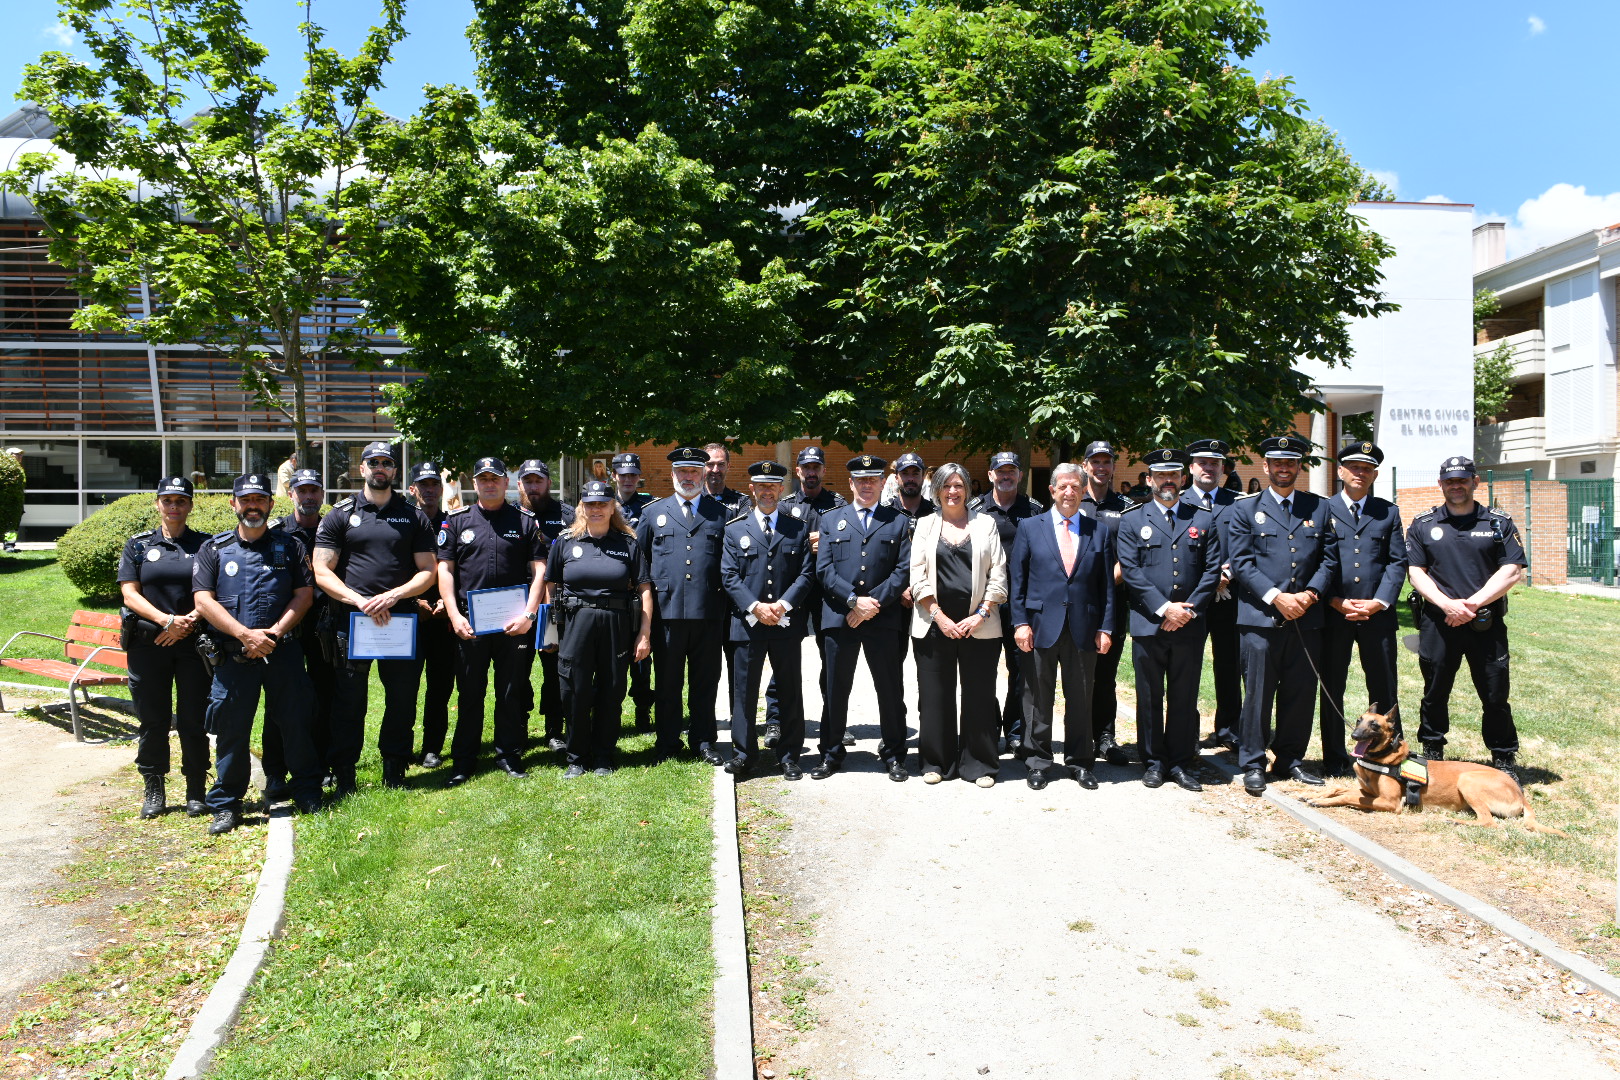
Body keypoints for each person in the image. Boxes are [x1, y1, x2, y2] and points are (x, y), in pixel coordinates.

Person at [192, 473, 320, 833]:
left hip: (284, 653)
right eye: (245, 500)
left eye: (259, 500)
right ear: (233, 504)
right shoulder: (213, 549)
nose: (253, 506)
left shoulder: (290, 546)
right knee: (232, 731)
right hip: (234, 657)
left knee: (296, 723)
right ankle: (227, 804)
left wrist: (275, 634)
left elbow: (304, 595)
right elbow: (203, 600)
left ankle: (307, 790)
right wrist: (244, 634)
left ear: (270, 504)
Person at [313, 442, 438, 792]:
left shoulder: (413, 515)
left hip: (400, 621)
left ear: (395, 471)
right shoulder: (340, 513)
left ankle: (394, 768)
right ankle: (345, 772)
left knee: (401, 698)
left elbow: (428, 571)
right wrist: (361, 600)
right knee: (349, 700)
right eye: (373, 462)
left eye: (386, 463)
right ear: (362, 468)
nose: (379, 468)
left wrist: (395, 595)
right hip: (352, 621)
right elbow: (321, 570)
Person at [1226, 434, 1339, 796]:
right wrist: (1277, 597)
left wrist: (1309, 595)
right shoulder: (1245, 509)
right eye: (1278, 462)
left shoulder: (1318, 508)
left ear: (1299, 466)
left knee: (1300, 693)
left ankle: (1290, 759)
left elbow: (1329, 559)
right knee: (1257, 694)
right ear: (1266, 466)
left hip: (1307, 617)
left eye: (1291, 462)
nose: (1284, 468)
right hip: (1260, 619)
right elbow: (1241, 563)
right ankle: (1253, 763)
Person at [1405, 456, 1527, 776]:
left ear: (1475, 482)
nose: (1456, 486)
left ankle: (1502, 755)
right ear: (1440, 484)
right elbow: (1415, 572)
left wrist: (1470, 605)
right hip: (1438, 622)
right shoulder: (1423, 523)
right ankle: (1432, 749)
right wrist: (1447, 605)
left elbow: (1512, 571)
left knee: (1495, 691)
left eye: (1462, 480)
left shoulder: (1498, 522)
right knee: (1435, 689)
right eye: (1449, 481)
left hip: (1485, 621)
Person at [435, 457, 549, 786]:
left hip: (515, 622)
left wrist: (529, 614)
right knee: (470, 691)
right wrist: (454, 614)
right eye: (482, 478)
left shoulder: (525, 521)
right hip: (470, 622)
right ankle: (464, 759)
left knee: (511, 690)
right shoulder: (456, 521)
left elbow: (539, 570)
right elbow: (445, 570)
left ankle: (508, 754)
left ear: (507, 483)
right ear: (474, 484)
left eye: (495, 478)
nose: (489, 484)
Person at [1117, 450, 1222, 792]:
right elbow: (1130, 571)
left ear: (1183, 479)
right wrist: (1165, 609)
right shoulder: (1132, 520)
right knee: (1148, 695)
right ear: (1149, 480)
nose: (1167, 481)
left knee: (1183, 695)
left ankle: (1178, 762)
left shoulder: (1203, 519)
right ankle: (1152, 761)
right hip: (1149, 623)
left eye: (1174, 475)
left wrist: (1186, 611)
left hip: (1189, 625)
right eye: (1160, 475)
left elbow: (1211, 570)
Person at [1008, 462, 1117, 790]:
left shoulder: (1099, 530)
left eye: (1075, 487)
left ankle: (1081, 761)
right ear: (1052, 490)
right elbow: (1018, 580)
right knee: (1038, 696)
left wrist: (1106, 628)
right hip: (1040, 625)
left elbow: (1107, 587)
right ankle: (1039, 760)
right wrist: (1020, 622)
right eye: (1063, 486)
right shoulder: (1030, 527)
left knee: (1082, 696)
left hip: (1084, 626)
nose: (1069, 492)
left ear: (1084, 491)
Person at [813, 454, 913, 780]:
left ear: (883, 482)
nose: (866, 485)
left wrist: (873, 604)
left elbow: (902, 570)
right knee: (836, 688)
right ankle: (830, 753)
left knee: (889, 687)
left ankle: (895, 753)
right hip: (840, 617)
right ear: (850, 483)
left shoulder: (897, 521)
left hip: (883, 619)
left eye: (873, 479)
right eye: (860, 479)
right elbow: (824, 570)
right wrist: (855, 601)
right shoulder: (830, 520)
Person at [545, 479, 654, 776]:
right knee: (573, 691)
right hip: (575, 624)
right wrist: (550, 630)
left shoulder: (627, 544)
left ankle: (604, 754)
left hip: (615, 625)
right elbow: (551, 586)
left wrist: (644, 634)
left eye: (602, 504)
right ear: (581, 506)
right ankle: (577, 757)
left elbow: (645, 589)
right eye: (590, 504)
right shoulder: (566, 542)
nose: (596, 509)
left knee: (611, 690)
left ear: (612, 507)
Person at [118, 475, 211, 819]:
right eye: (168, 500)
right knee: (152, 719)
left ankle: (196, 789)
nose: (174, 506)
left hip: (192, 645)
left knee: (193, 720)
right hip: (148, 645)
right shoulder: (139, 546)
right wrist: (166, 621)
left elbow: (213, 590)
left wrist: (186, 622)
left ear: (190, 505)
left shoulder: (205, 545)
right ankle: (154, 787)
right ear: (157, 503)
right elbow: (130, 593)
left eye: (181, 500)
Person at [910, 463, 1008, 787]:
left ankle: (979, 765)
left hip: (979, 625)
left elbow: (998, 575)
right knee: (935, 697)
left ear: (967, 489)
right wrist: (939, 615)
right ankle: (937, 762)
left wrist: (980, 614)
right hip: (934, 624)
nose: (953, 492)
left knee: (979, 696)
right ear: (937, 490)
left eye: (959, 486)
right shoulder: (925, 525)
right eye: (947, 486)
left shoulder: (986, 524)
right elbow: (918, 576)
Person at [719, 461, 817, 779]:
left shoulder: (797, 529)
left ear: (781, 490)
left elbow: (806, 573)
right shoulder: (734, 529)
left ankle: (788, 755)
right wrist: (755, 607)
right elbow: (729, 576)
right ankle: (743, 754)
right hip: (747, 624)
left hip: (785, 624)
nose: (767, 491)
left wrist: (783, 606)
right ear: (752, 489)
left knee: (789, 690)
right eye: (761, 486)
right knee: (744, 691)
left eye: (772, 486)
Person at [636, 447, 730, 765]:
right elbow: (642, 565)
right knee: (667, 682)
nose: (688, 477)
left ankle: (703, 740)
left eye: (693, 471)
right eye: (682, 471)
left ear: (703, 474)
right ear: (673, 474)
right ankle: (667, 740)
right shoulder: (652, 513)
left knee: (705, 681)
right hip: (667, 613)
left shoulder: (721, 514)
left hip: (708, 612)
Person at [1319, 440, 1407, 777]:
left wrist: (1378, 602)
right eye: (1354, 467)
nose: (1360, 473)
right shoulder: (1322, 510)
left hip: (1377, 616)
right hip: (1334, 614)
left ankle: (1388, 755)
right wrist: (1334, 600)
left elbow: (1397, 563)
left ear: (1375, 474)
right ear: (1340, 470)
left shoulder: (1388, 512)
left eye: (1367, 468)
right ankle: (1333, 755)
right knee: (1332, 685)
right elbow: (1316, 561)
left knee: (1383, 687)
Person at [262, 468, 334, 802]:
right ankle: (275, 773)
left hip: (324, 627)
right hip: (287, 628)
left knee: (323, 699)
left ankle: (322, 766)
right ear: (290, 493)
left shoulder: (334, 530)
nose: (308, 497)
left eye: (313, 491)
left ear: (322, 495)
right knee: (280, 702)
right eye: (301, 491)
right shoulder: (275, 533)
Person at [770, 446, 847, 750]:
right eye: (806, 467)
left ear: (824, 471)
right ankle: (776, 720)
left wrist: (825, 542)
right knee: (782, 657)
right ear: (798, 471)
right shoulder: (786, 505)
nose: (811, 472)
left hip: (829, 593)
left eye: (817, 467)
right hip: (795, 590)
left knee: (832, 658)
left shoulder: (839, 505)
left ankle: (834, 720)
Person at [968, 451, 1044, 754]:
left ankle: (1014, 728)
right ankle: (987, 728)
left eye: (1012, 470)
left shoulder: (1036, 510)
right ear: (990, 475)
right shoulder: (975, 510)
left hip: (1020, 605)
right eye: (1000, 471)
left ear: (1020, 474)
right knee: (982, 670)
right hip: (983, 604)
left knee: (1020, 671)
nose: (1006, 476)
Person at [1183, 439, 1243, 752]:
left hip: (1229, 596)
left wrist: (1227, 573)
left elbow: (1247, 543)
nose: (1208, 468)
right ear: (1191, 467)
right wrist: (1207, 579)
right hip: (1192, 596)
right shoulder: (1177, 502)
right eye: (1203, 462)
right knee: (1187, 663)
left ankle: (1229, 728)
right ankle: (1186, 728)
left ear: (1222, 468)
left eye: (1214, 463)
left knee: (1230, 663)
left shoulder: (1239, 503)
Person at [1077, 440, 1132, 766]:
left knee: (1106, 674)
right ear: (1085, 466)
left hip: (1113, 600)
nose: (1101, 468)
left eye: (1106, 462)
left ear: (1113, 466)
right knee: (1078, 671)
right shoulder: (1072, 501)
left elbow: (1130, 556)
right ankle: (1081, 734)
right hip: (1078, 603)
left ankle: (1106, 737)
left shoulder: (1126, 506)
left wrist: (1104, 582)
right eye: (1094, 462)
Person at [519, 458, 577, 753]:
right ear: (519, 484)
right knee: (517, 669)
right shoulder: (512, 515)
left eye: (538, 481)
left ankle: (555, 729)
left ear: (548, 483)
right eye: (528, 481)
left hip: (557, 604)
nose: (533, 487)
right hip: (520, 605)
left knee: (555, 670)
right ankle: (518, 725)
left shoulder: (568, 515)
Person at [407, 461, 455, 768]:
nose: (429, 489)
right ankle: (400, 747)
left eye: (434, 484)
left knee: (440, 686)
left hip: (444, 618)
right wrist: (414, 603)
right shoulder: (401, 522)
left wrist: (447, 605)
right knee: (405, 687)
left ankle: (432, 748)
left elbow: (460, 568)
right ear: (412, 489)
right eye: (423, 484)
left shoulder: (453, 524)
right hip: (409, 616)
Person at [612, 452, 657, 727]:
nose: (628, 479)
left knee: (643, 655)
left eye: (633, 475)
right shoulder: (603, 504)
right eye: (623, 474)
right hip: (614, 589)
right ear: (613, 476)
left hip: (641, 589)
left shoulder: (650, 507)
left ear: (639, 477)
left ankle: (643, 709)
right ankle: (609, 708)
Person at [703, 442, 752, 518]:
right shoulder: (694, 499)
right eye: (710, 464)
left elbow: (743, 529)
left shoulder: (741, 501)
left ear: (728, 466)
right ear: (703, 466)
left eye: (721, 464)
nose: (715, 470)